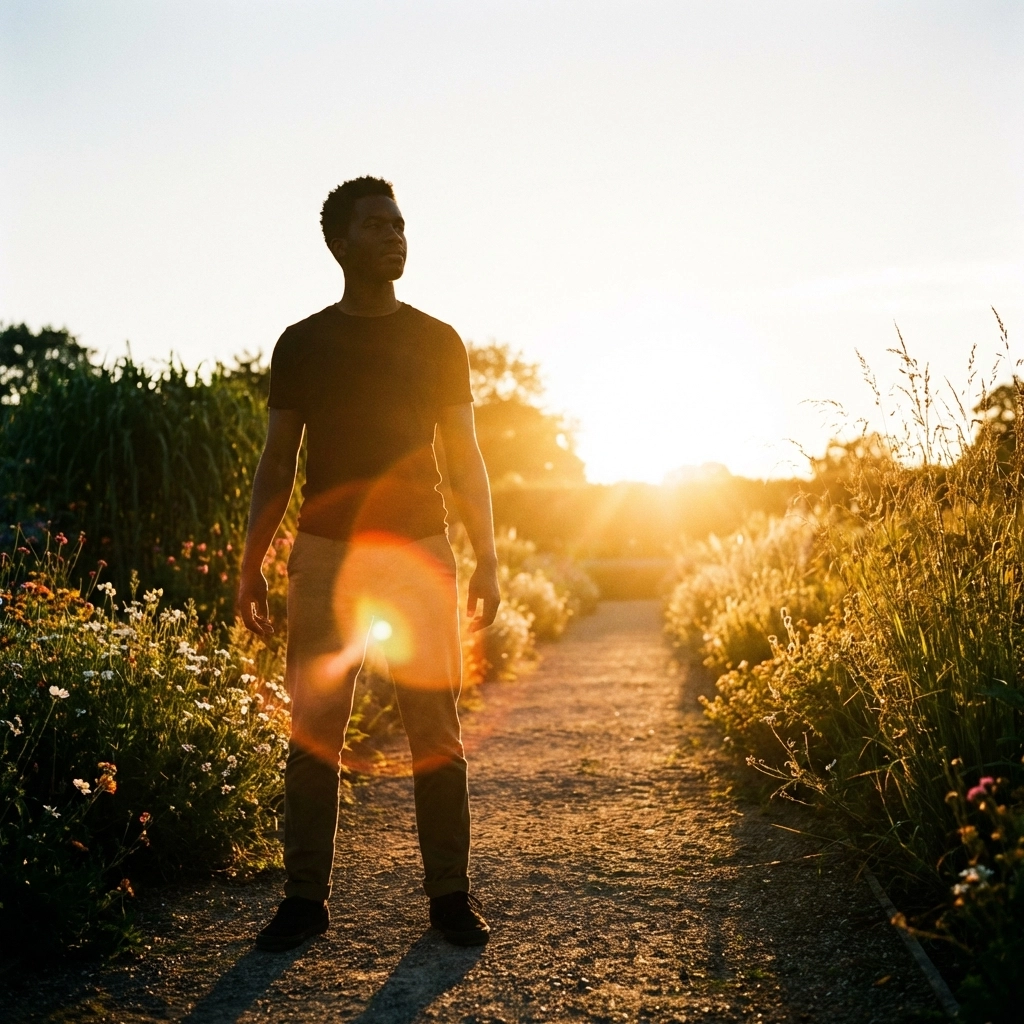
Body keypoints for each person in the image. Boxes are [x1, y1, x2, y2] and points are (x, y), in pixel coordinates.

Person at [237, 176, 500, 951]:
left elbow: (467, 459)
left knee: (436, 729)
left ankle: (449, 896)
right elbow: (276, 463)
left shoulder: (437, 340)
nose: (396, 236)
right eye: (378, 225)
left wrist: (487, 557)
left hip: (421, 549)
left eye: (402, 224)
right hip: (325, 555)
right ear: (340, 243)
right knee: (313, 730)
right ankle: (302, 900)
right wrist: (249, 565)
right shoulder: (303, 343)